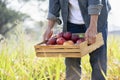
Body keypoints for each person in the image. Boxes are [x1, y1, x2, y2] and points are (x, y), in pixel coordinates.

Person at [43, 0, 111, 80]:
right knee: (71, 64)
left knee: (98, 63)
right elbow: (54, 3)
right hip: (72, 23)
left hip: (96, 19)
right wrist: (49, 28)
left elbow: (94, 2)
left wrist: (93, 25)